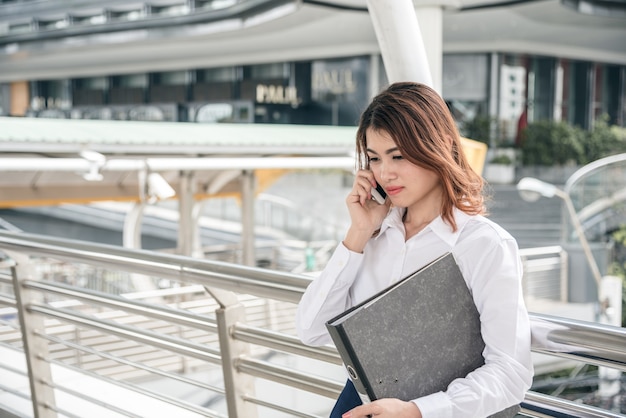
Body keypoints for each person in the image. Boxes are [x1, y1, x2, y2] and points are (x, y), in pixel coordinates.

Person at [295, 82, 533, 418]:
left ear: (440, 146)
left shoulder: (483, 244)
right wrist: (359, 232)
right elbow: (311, 329)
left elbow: (511, 373)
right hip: (362, 404)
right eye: (374, 159)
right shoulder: (373, 234)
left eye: (398, 155)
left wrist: (419, 411)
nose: (385, 172)